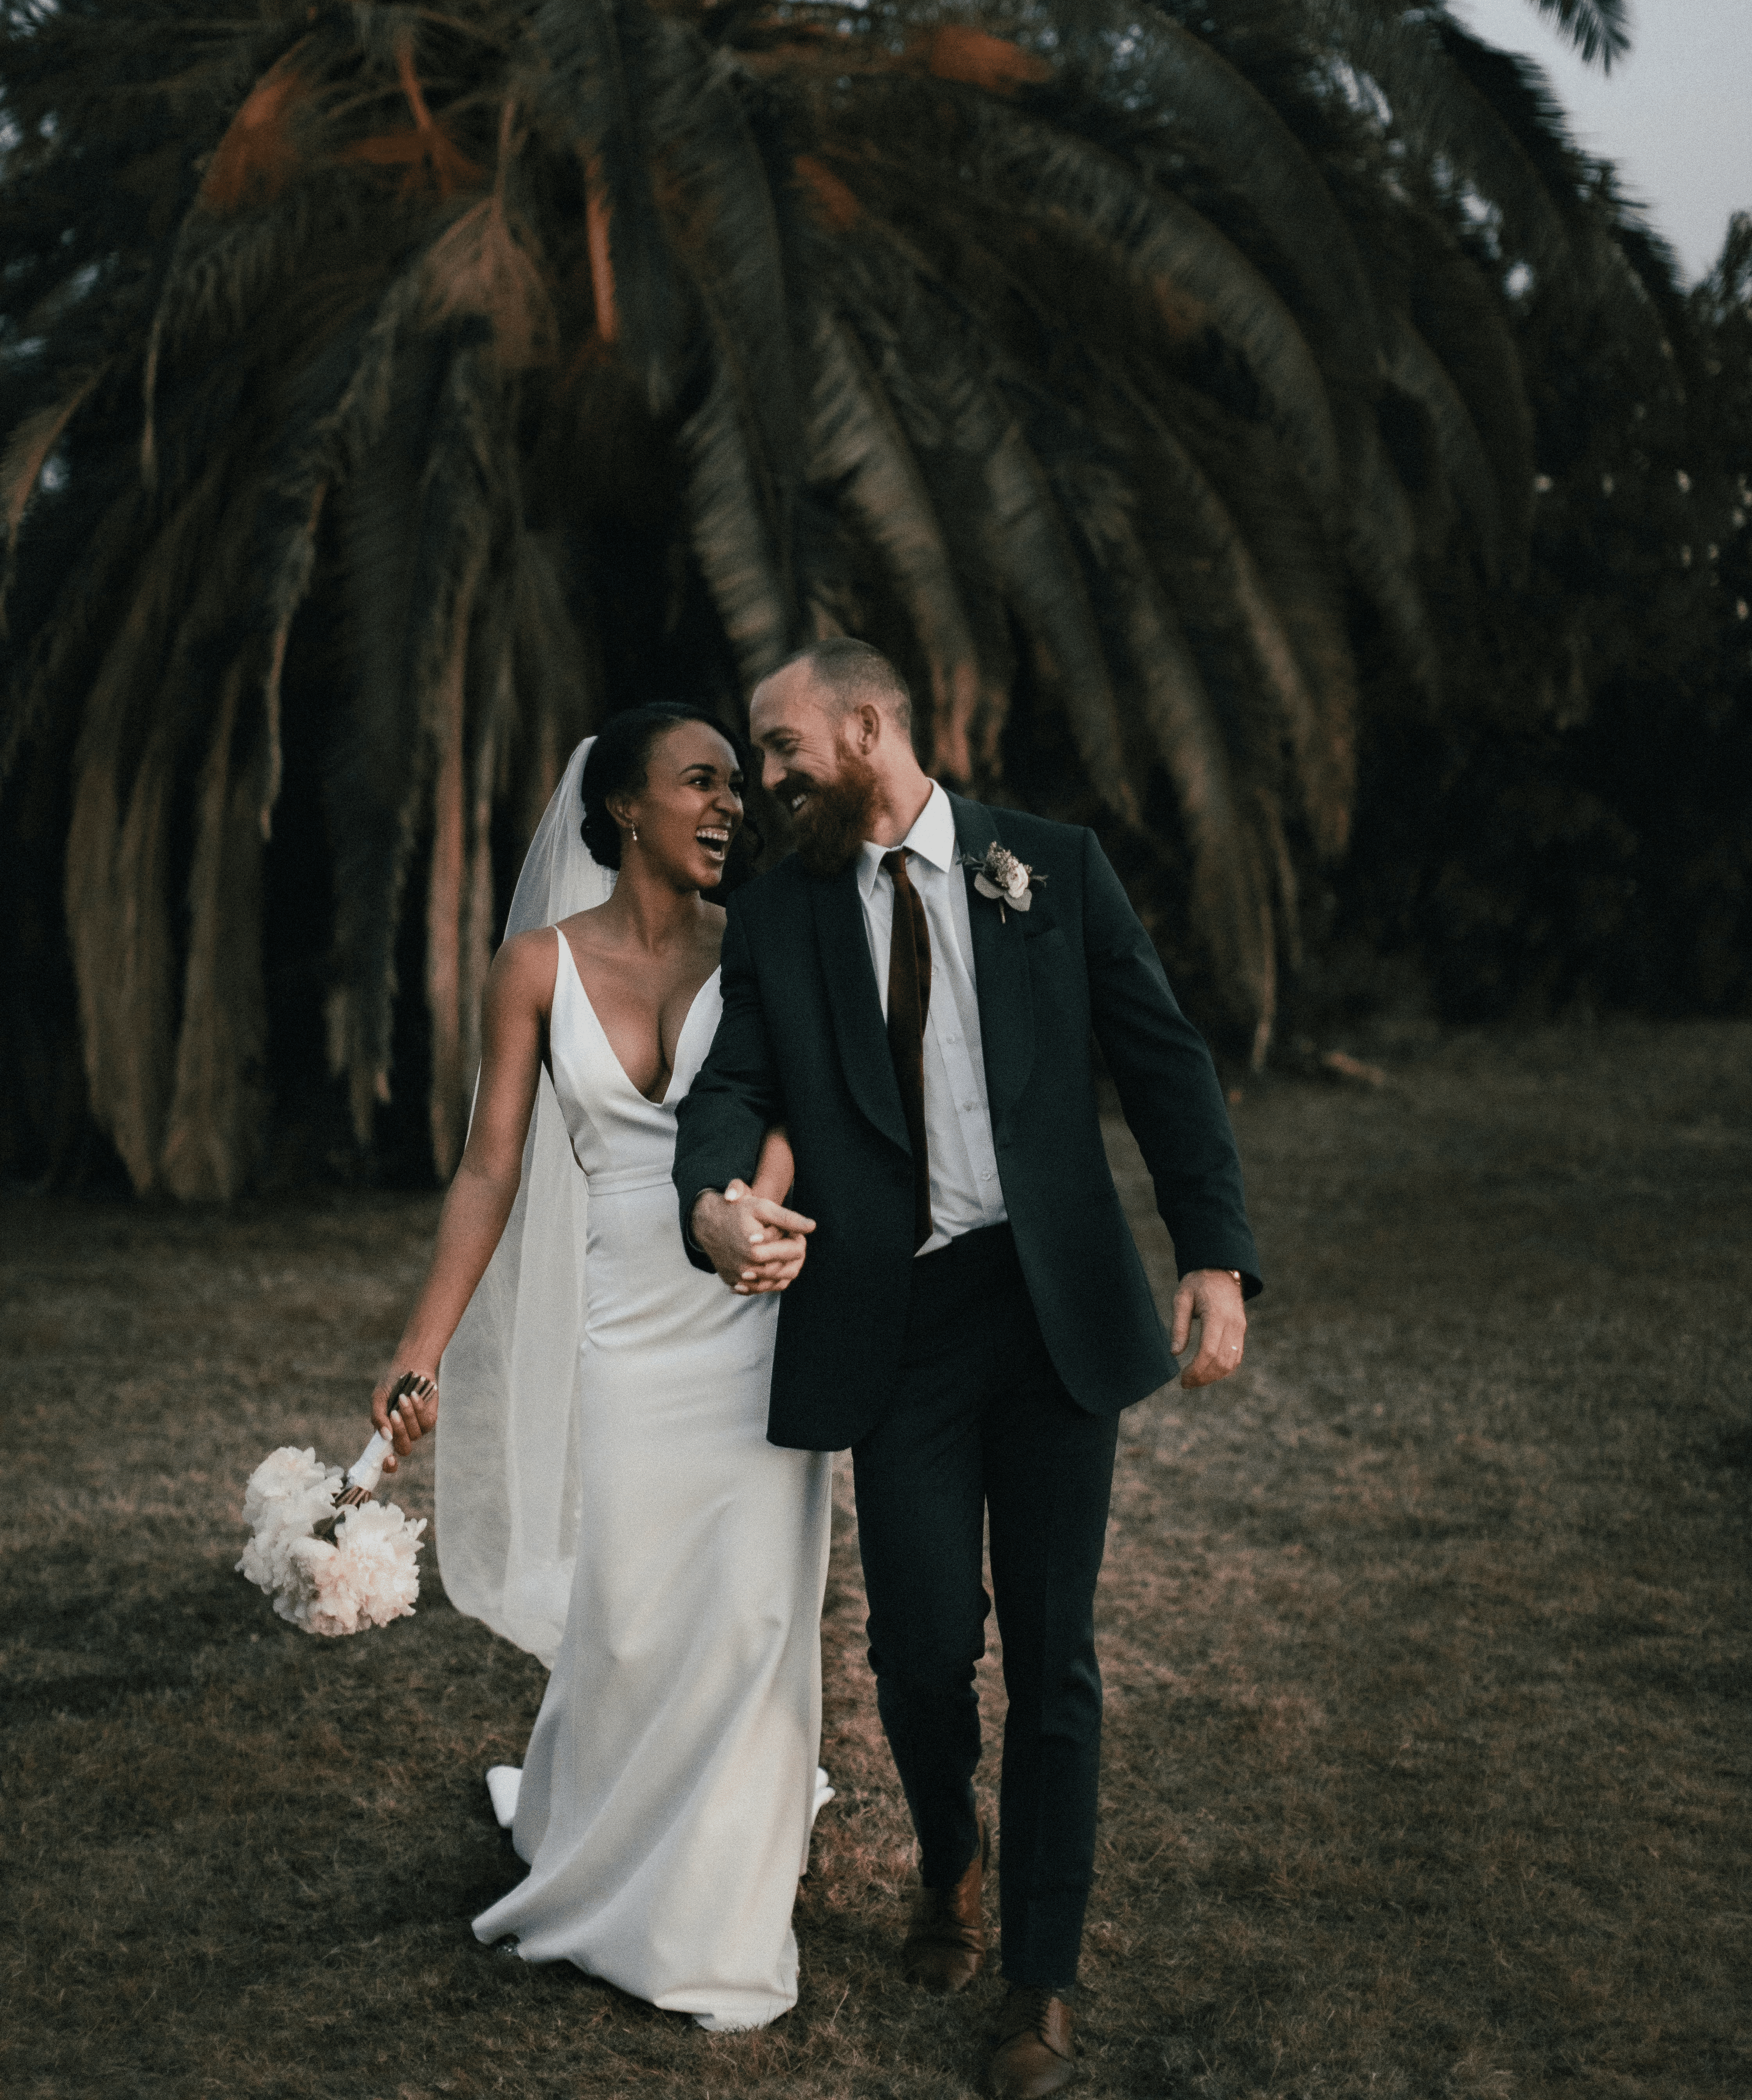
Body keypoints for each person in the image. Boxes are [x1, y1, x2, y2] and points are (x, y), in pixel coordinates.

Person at [673, 639, 1262, 2098]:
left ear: (870, 724)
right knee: (922, 1647)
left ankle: (1041, 1984)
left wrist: (1214, 1253)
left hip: (1052, 1311)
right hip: (898, 1323)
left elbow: (1163, 1056)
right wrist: (713, 1199)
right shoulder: (786, 914)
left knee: (1054, 1661)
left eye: (783, 743)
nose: (766, 775)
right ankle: (949, 1857)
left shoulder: (1051, 866)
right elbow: (734, 1080)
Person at [368, 704, 831, 2033]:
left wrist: (765, 1221)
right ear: (626, 808)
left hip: (754, 1300)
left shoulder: (765, 945)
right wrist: (420, 1354)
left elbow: (798, 1100)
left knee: (748, 1613)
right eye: (703, 782)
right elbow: (488, 1166)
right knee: (629, 1618)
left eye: (740, 785)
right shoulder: (535, 968)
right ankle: (601, 1847)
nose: (733, 804)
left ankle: (716, 1915)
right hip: (628, 1331)